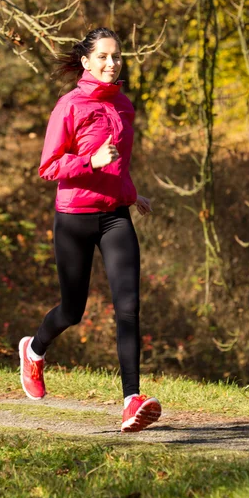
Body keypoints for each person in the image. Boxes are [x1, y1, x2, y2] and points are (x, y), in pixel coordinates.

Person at [18, 27, 162, 433]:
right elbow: (48, 167)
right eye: (103, 56)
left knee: (128, 307)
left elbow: (119, 165)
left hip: (116, 215)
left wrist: (133, 194)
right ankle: (35, 350)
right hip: (74, 218)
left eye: (117, 56)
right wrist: (90, 161)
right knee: (72, 310)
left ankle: (131, 400)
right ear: (86, 61)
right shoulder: (69, 105)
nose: (111, 63)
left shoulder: (124, 106)